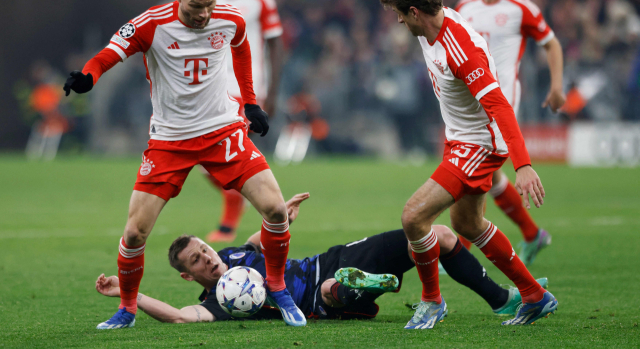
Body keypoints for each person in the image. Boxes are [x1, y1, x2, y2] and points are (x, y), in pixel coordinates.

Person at [63, 0, 305, 329]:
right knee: (134, 232)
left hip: (222, 130)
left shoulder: (230, 18)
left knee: (274, 209)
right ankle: (127, 309)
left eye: (209, 5)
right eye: (195, 7)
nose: (204, 15)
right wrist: (88, 77)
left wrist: (251, 101)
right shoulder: (150, 23)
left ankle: (277, 286)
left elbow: (241, 48)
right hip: (170, 141)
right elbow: (110, 52)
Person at [333, 0, 558, 329]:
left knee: (413, 217)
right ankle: (534, 295)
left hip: (480, 144)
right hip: (460, 138)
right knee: (468, 226)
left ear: (416, 13)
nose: (399, 22)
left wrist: (523, 166)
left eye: (402, 16)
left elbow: (501, 107)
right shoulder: (428, 20)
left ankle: (432, 301)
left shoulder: (461, 50)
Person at [95, 192, 548, 323]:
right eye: (196, 261)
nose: (208, 260)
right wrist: (126, 294)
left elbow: (261, 239)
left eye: (205, 250)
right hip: (316, 299)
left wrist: (282, 220)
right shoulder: (216, 304)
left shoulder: (235, 253)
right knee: (333, 291)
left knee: (439, 234)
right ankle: (361, 287)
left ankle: (500, 299)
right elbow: (177, 317)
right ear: (186, 275)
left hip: (325, 259)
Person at [454, 0, 565, 265]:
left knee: (480, 169)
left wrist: (557, 86)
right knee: (491, 174)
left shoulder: (521, 8)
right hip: (471, 100)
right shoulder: (465, 7)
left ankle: (463, 254)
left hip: (503, 101)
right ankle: (532, 235)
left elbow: (552, 43)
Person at [203, 0, 286, 244]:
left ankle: (228, 225)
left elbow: (276, 45)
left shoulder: (261, 0)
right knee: (206, 163)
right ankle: (250, 192)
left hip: (247, 89)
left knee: (228, 154)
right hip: (213, 88)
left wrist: (272, 92)